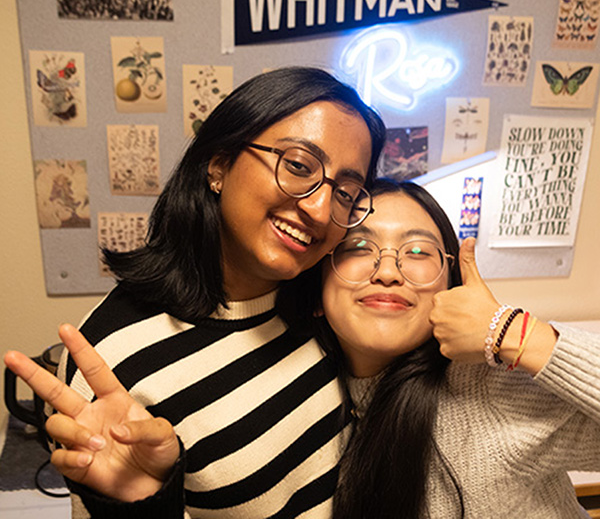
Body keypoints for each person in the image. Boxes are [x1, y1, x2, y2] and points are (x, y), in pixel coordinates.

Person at [4, 66, 386, 518]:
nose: (321, 210)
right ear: (219, 164)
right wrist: (145, 507)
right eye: (299, 166)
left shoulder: (321, 308)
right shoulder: (111, 357)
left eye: (345, 192)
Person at [280, 178, 600, 518]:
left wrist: (510, 330)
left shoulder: (488, 392)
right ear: (317, 292)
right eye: (358, 247)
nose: (387, 272)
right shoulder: (300, 395)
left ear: (448, 287)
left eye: (417, 251)